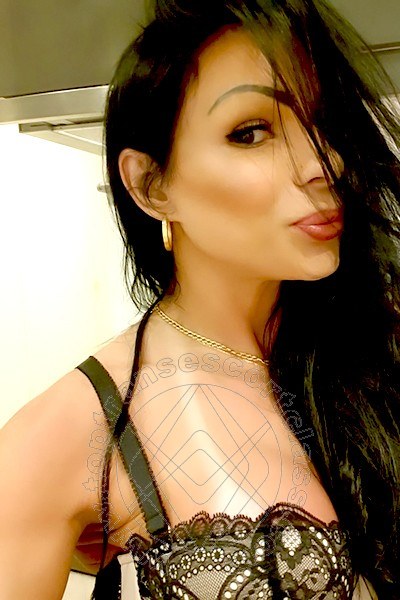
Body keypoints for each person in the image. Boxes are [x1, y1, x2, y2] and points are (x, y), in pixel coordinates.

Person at [0, 0, 399, 598]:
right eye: (251, 132)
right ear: (151, 186)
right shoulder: (67, 433)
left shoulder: (368, 351)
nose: (323, 164)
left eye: (322, 122)